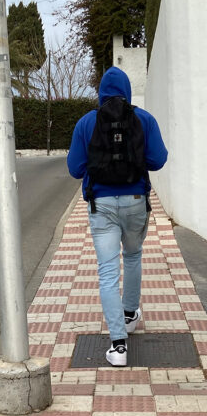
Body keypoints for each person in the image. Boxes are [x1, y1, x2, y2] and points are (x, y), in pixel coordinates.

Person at [68, 66, 168, 366]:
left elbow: (75, 169)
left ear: (100, 92)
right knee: (134, 256)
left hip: (102, 205)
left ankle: (119, 346)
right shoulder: (144, 119)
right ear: (126, 90)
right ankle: (129, 314)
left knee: (108, 272)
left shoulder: (87, 123)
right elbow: (158, 159)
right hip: (136, 199)